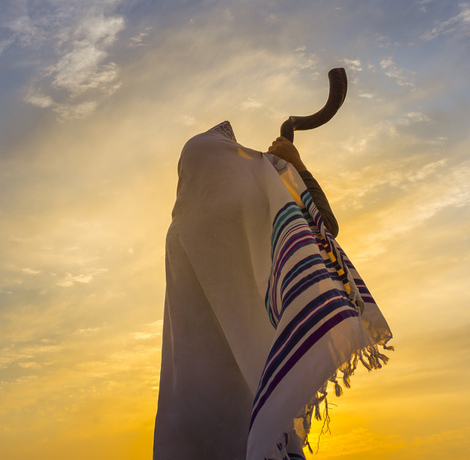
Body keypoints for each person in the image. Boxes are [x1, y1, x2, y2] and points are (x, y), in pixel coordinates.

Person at [154, 121, 392, 460]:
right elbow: (324, 225)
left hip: (191, 400)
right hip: (254, 383)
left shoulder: (178, 232)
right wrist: (292, 165)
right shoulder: (245, 208)